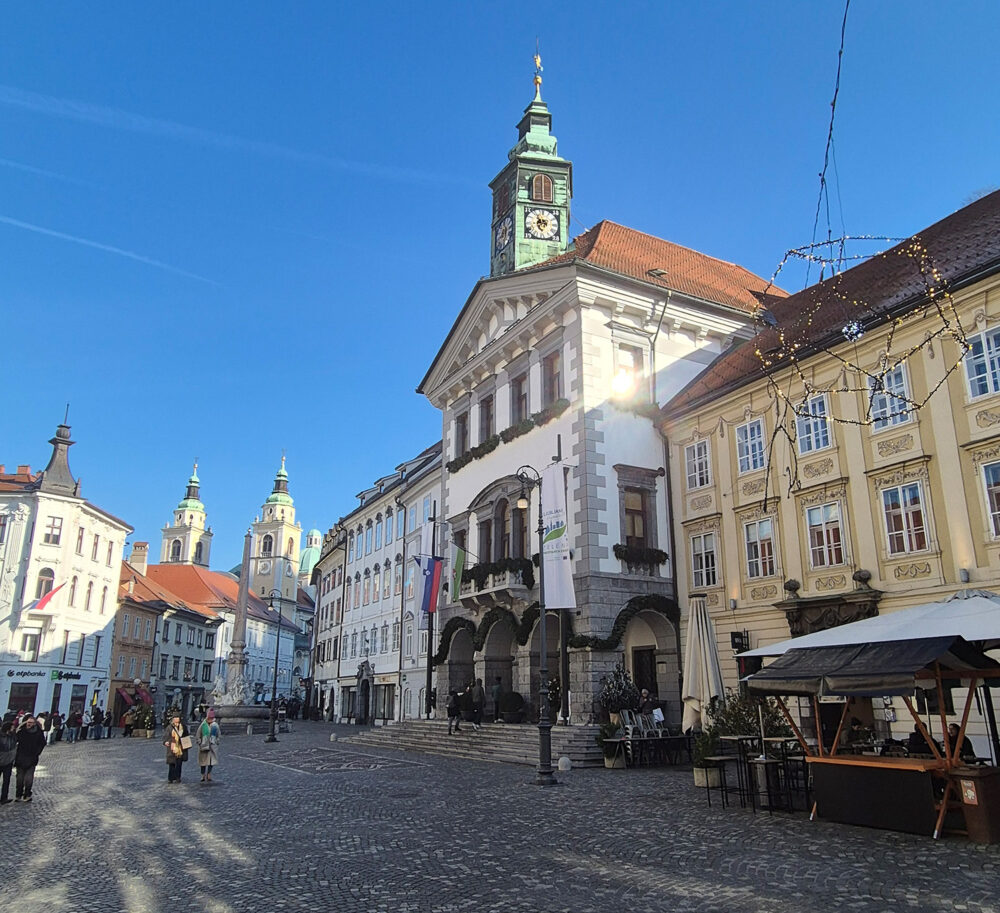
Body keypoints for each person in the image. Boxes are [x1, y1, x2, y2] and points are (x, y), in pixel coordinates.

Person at [14, 715, 47, 802]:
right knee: (19, 779)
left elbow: (42, 743)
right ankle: (18, 795)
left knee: (29, 779)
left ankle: (27, 794)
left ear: (34, 724)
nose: (29, 724)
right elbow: (15, 740)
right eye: (28, 722)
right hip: (20, 758)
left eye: (31, 723)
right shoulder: (21, 731)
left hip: (32, 758)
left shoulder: (38, 732)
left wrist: (37, 752)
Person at [197, 709, 221, 782]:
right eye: (210, 718)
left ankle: (209, 774)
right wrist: (200, 742)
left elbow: (218, 734)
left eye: (212, 718)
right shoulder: (203, 725)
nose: (211, 720)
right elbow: (198, 734)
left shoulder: (215, 725)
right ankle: (202, 774)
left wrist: (217, 741)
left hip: (212, 746)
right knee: (203, 762)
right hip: (204, 746)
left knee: (211, 761)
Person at [163, 714, 188, 783]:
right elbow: (166, 736)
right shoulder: (169, 728)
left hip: (180, 748)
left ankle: (178, 777)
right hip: (172, 748)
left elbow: (186, 736)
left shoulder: (183, 727)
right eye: (175, 721)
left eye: (178, 721)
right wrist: (166, 742)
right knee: (172, 764)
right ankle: (170, 778)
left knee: (179, 764)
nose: (176, 723)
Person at [0, 720, 16, 805]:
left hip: (8, 762)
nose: (14, 728)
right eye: (12, 727)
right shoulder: (1, 736)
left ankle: (4, 798)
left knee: (6, 781)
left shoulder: (12, 736)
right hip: (1, 760)